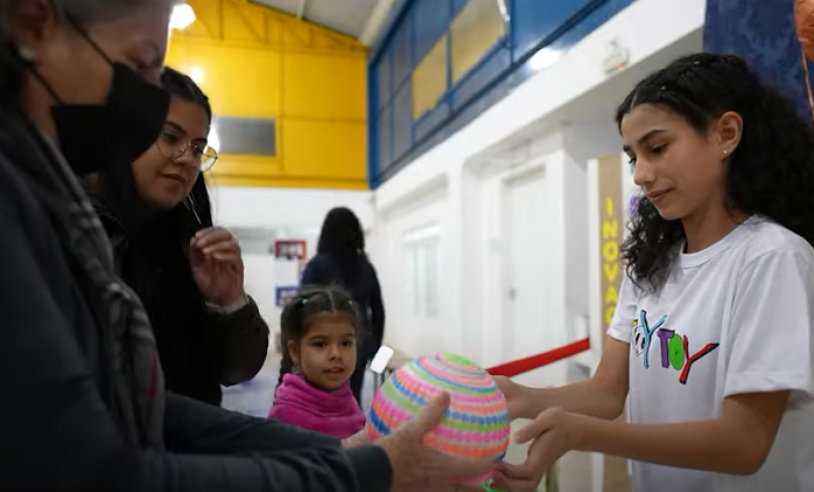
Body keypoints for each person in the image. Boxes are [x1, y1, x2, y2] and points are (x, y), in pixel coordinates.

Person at [0, 0, 494, 490]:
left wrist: (342, 450)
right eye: (139, 64)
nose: (143, 105)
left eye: (197, 147)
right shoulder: (31, 206)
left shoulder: (88, 215)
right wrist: (357, 470)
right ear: (33, 24)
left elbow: (146, 403)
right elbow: (93, 469)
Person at [492, 53, 814, 492]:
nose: (642, 175)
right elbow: (607, 392)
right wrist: (525, 398)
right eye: (633, 157)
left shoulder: (770, 258)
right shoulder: (651, 263)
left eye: (657, 148)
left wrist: (581, 434)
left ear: (726, 133)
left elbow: (744, 443)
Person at [87, 66, 268, 406]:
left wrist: (230, 304)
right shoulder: (77, 231)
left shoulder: (189, 241)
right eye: (170, 137)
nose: (187, 159)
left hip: (192, 442)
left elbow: (235, 372)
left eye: (199, 148)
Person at [302, 207, 385, 405]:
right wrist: (374, 348)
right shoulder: (366, 268)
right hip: (356, 343)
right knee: (351, 397)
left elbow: (301, 308)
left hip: (322, 343)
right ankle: (352, 431)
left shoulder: (316, 266)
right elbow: (378, 311)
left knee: (320, 399)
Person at [269, 285, 366, 439]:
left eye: (346, 343)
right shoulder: (286, 416)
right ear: (294, 351)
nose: (336, 354)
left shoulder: (348, 400)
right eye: (320, 344)